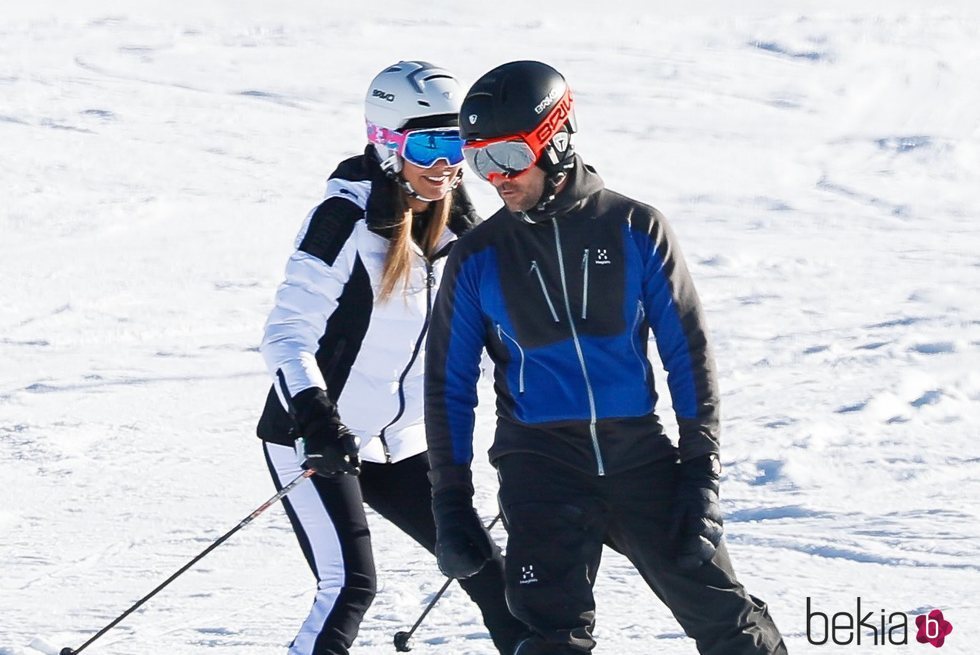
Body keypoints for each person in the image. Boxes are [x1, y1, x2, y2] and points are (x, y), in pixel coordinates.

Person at [424, 60, 788, 655]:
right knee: (549, 638)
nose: (496, 178)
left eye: (509, 156)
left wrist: (700, 472)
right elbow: (448, 386)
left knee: (728, 623)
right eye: (480, 160)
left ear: (555, 138)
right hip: (538, 468)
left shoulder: (635, 228)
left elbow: (687, 353)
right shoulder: (478, 257)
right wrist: (450, 503)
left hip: (638, 458)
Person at [256, 60, 527, 655]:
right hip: (316, 437)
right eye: (428, 144)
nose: (445, 163)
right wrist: (315, 415)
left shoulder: (464, 234)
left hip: (402, 444)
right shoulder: (344, 221)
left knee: (494, 579)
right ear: (386, 145)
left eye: (458, 143)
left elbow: (490, 343)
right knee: (350, 586)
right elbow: (286, 334)